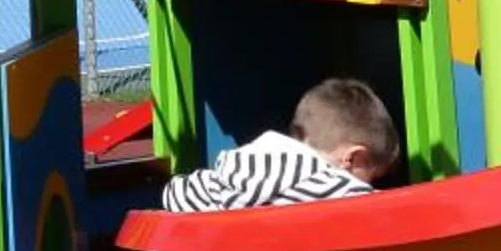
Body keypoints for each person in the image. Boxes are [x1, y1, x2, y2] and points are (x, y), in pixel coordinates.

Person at [157, 78, 403, 213]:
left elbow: (175, 195)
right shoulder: (328, 185)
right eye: (369, 178)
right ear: (352, 159)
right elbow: (382, 211)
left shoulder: (230, 174)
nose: (367, 186)